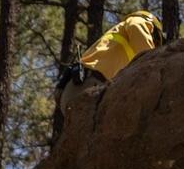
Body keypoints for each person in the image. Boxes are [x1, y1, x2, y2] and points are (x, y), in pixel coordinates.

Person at [52, 8, 165, 141]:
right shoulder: (139, 21)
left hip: (77, 88)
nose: (155, 44)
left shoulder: (118, 40)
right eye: (156, 40)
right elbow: (148, 54)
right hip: (89, 84)